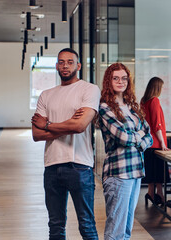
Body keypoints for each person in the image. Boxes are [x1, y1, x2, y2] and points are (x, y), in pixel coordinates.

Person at [31, 48, 99, 239]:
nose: (65, 65)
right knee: (55, 226)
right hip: (52, 167)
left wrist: (49, 125)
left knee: (86, 224)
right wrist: (68, 124)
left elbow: (80, 126)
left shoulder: (89, 89)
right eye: (61, 62)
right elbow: (37, 133)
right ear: (56, 66)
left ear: (78, 65)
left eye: (69, 62)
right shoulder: (46, 95)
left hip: (80, 166)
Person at [98, 63, 153, 240]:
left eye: (124, 78)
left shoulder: (132, 107)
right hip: (118, 173)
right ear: (109, 81)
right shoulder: (105, 107)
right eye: (115, 78)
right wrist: (139, 137)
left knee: (126, 230)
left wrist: (137, 137)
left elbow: (149, 136)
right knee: (116, 231)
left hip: (136, 171)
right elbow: (123, 137)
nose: (120, 81)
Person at [141, 77, 170, 205]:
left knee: (152, 171)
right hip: (156, 143)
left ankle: (152, 193)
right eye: (161, 87)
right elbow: (157, 124)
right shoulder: (154, 101)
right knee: (159, 170)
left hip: (148, 142)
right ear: (157, 87)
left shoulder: (144, 101)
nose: (162, 90)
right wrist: (163, 143)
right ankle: (159, 194)